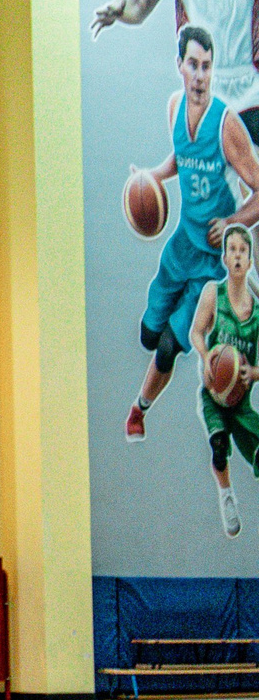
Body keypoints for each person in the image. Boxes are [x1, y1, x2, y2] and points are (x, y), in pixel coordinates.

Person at [118, 27, 259, 440]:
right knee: (148, 335)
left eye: (207, 67)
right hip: (180, 248)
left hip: (208, 268)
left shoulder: (226, 125)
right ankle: (151, 364)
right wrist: (153, 176)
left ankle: (138, 411)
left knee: (167, 346)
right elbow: (182, 157)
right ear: (180, 66)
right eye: (193, 65)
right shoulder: (174, 107)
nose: (200, 75)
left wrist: (233, 223)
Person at [192, 223, 259, 536]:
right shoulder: (212, 294)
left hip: (241, 402)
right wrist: (207, 357)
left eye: (242, 251)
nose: (236, 256)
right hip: (215, 396)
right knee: (218, 447)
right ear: (224, 258)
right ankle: (226, 495)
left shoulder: (256, 312)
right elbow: (196, 332)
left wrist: (254, 372)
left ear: (249, 261)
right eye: (231, 249)